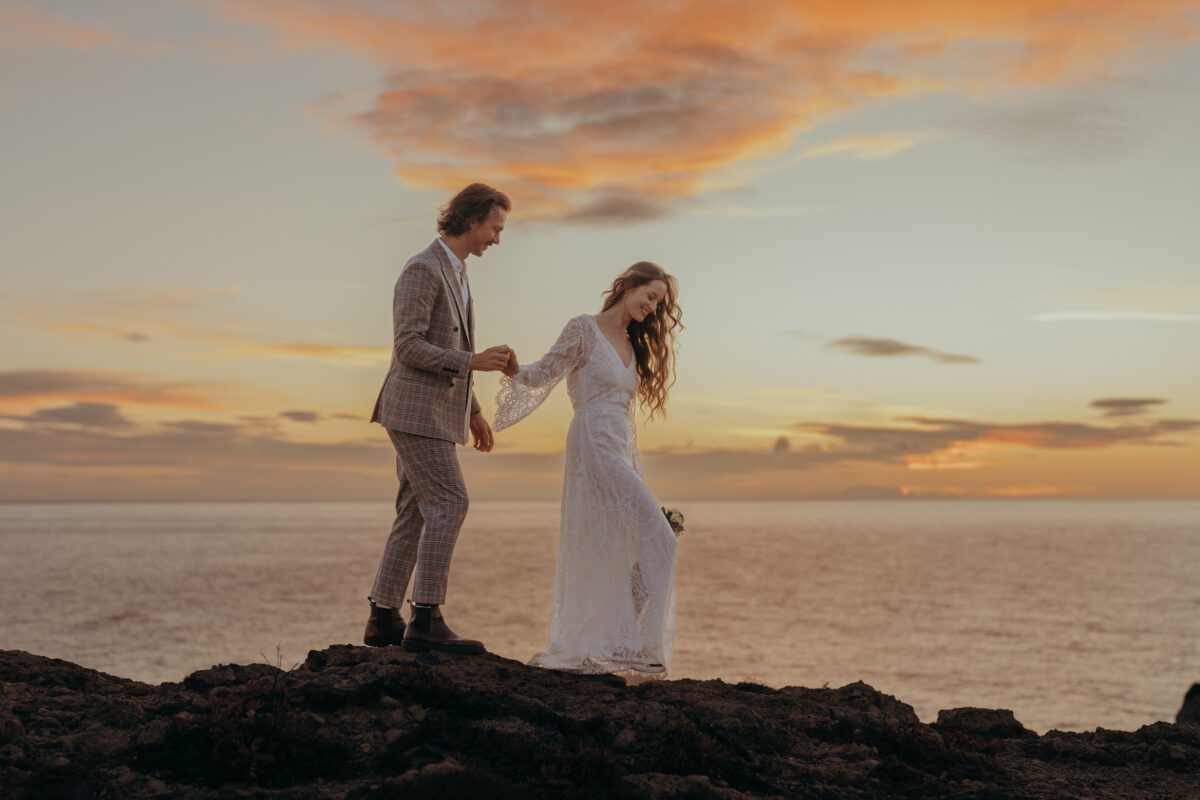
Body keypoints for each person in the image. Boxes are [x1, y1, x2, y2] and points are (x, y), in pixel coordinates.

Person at [494, 262, 683, 674]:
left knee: (626, 540)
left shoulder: (633, 344)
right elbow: (545, 371)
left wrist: (633, 462)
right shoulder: (584, 329)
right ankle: (631, 645)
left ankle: (618, 639)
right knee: (661, 538)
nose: (652, 307)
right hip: (592, 440)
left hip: (620, 445)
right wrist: (514, 370)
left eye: (658, 303)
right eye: (649, 296)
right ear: (628, 286)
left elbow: (626, 414)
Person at [365, 183, 517, 654]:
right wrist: (473, 362)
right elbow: (408, 346)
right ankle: (426, 620)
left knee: (414, 512)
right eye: (495, 227)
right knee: (450, 503)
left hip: (436, 412)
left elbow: (447, 346)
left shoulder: (458, 272)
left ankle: (383, 618)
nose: (497, 238)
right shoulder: (422, 269)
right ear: (471, 220)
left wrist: (473, 413)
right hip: (414, 411)